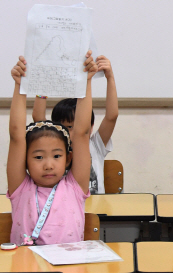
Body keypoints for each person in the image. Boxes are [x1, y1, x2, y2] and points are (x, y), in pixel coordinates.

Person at [7, 51, 96, 245]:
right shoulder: (21, 188)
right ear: (25, 160)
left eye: (57, 156)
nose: (48, 165)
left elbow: (81, 133)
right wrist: (20, 85)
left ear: (68, 158)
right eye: (38, 157)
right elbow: (16, 137)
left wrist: (86, 83)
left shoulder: (75, 186)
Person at [32, 56, 118, 195]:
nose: (71, 133)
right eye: (64, 127)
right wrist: (43, 83)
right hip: (64, 212)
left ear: (90, 127)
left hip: (94, 211)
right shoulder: (53, 148)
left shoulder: (96, 144)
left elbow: (112, 116)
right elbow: (38, 118)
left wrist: (110, 78)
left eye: (74, 127)